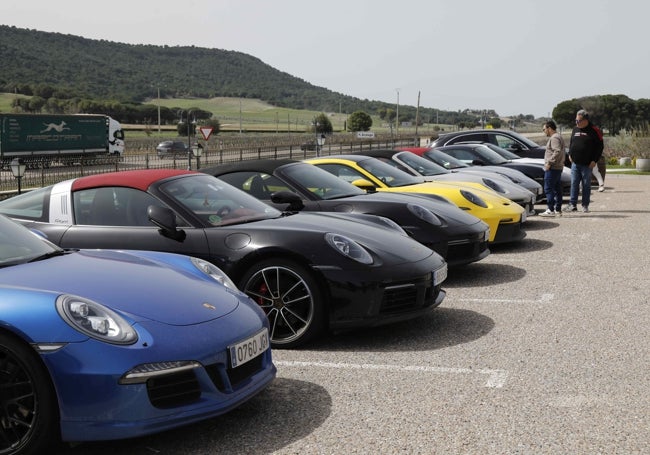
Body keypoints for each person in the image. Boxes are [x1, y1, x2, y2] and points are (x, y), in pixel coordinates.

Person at [566, 109, 604, 213]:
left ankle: (585, 205)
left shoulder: (594, 130)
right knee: (574, 184)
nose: (576, 122)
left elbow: (600, 147)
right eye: (576, 120)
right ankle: (572, 205)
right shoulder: (575, 129)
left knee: (586, 185)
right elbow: (571, 143)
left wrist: (594, 160)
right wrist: (570, 154)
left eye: (578, 121)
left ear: (585, 120)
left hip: (587, 164)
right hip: (575, 163)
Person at [539, 120, 566, 217]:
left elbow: (557, 151)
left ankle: (550, 209)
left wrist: (549, 163)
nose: (544, 131)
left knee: (548, 188)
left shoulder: (554, 138)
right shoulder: (558, 137)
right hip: (557, 167)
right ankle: (558, 209)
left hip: (553, 168)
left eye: (544, 129)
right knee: (557, 188)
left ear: (549, 128)